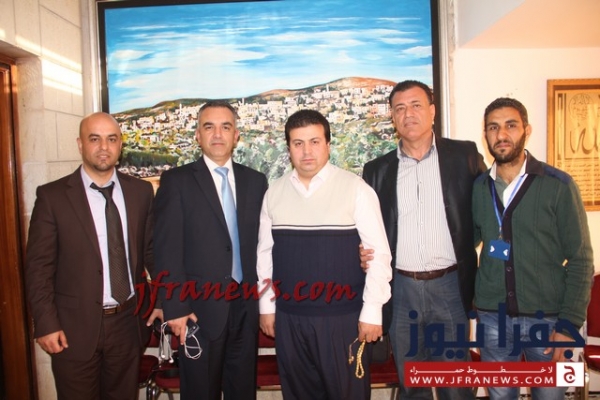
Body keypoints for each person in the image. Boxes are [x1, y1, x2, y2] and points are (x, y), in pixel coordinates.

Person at [361, 80, 486, 400]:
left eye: (416, 105)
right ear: (392, 117)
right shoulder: (376, 170)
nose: (408, 114)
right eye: (400, 108)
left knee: (455, 386)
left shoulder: (464, 156)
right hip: (401, 290)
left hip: (450, 286)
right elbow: (367, 229)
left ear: (432, 111)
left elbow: (488, 211)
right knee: (411, 384)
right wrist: (362, 252)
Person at [25, 112, 162, 400]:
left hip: (128, 324)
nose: (104, 147)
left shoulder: (140, 192)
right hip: (72, 329)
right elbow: (39, 268)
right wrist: (46, 324)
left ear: (120, 145)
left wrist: (162, 300)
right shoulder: (53, 197)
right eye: (94, 139)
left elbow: (152, 252)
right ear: (80, 144)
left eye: (111, 139)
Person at [257, 109, 392, 400]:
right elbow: (265, 255)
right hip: (290, 319)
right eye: (298, 143)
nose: (307, 151)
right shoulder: (274, 193)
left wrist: (372, 311)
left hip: (343, 320)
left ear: (328, 145)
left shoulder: (356, 189)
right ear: (288, 148)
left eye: (315, 142)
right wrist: (266, 306)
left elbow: (379, 255)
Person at [473, 97, 594, 400]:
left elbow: (581, 260)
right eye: (493, 127)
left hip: (549, 320)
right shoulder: (478, 188)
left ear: (526, 130)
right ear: (485, 134)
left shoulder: (558, 185)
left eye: (511, 125)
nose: (502, 134)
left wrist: (568, 325)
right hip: (494, 319)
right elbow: (464, 242)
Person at [153, 101, 268, 400]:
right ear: (198, 135)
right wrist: (176, 308)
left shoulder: (256, 182)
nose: (218, 134)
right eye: (209, 127)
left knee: (243, 391)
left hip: (246, 309)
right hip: (197, 312)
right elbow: (165, 249)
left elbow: (265, 243)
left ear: (236, 135)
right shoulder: (176, 182)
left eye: (225, 127)